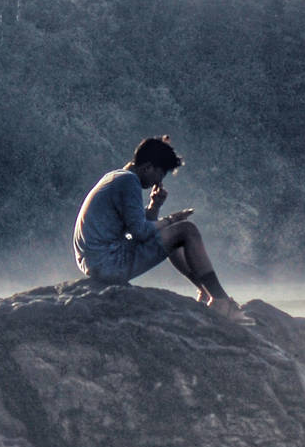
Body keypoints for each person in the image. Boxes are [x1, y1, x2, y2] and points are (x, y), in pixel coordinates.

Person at [73, 136, 250, 321]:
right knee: (186, 230)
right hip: (109, 264)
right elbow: (140, 233)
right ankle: (220, 300)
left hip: (97, 262)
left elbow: (139, 230)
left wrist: (154, 206)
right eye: (160, 174)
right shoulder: (129, 182)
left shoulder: (116, 177)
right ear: (148, 167)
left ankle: (205, 292)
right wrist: (171, 219)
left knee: (173, 230)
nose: (158, 181)